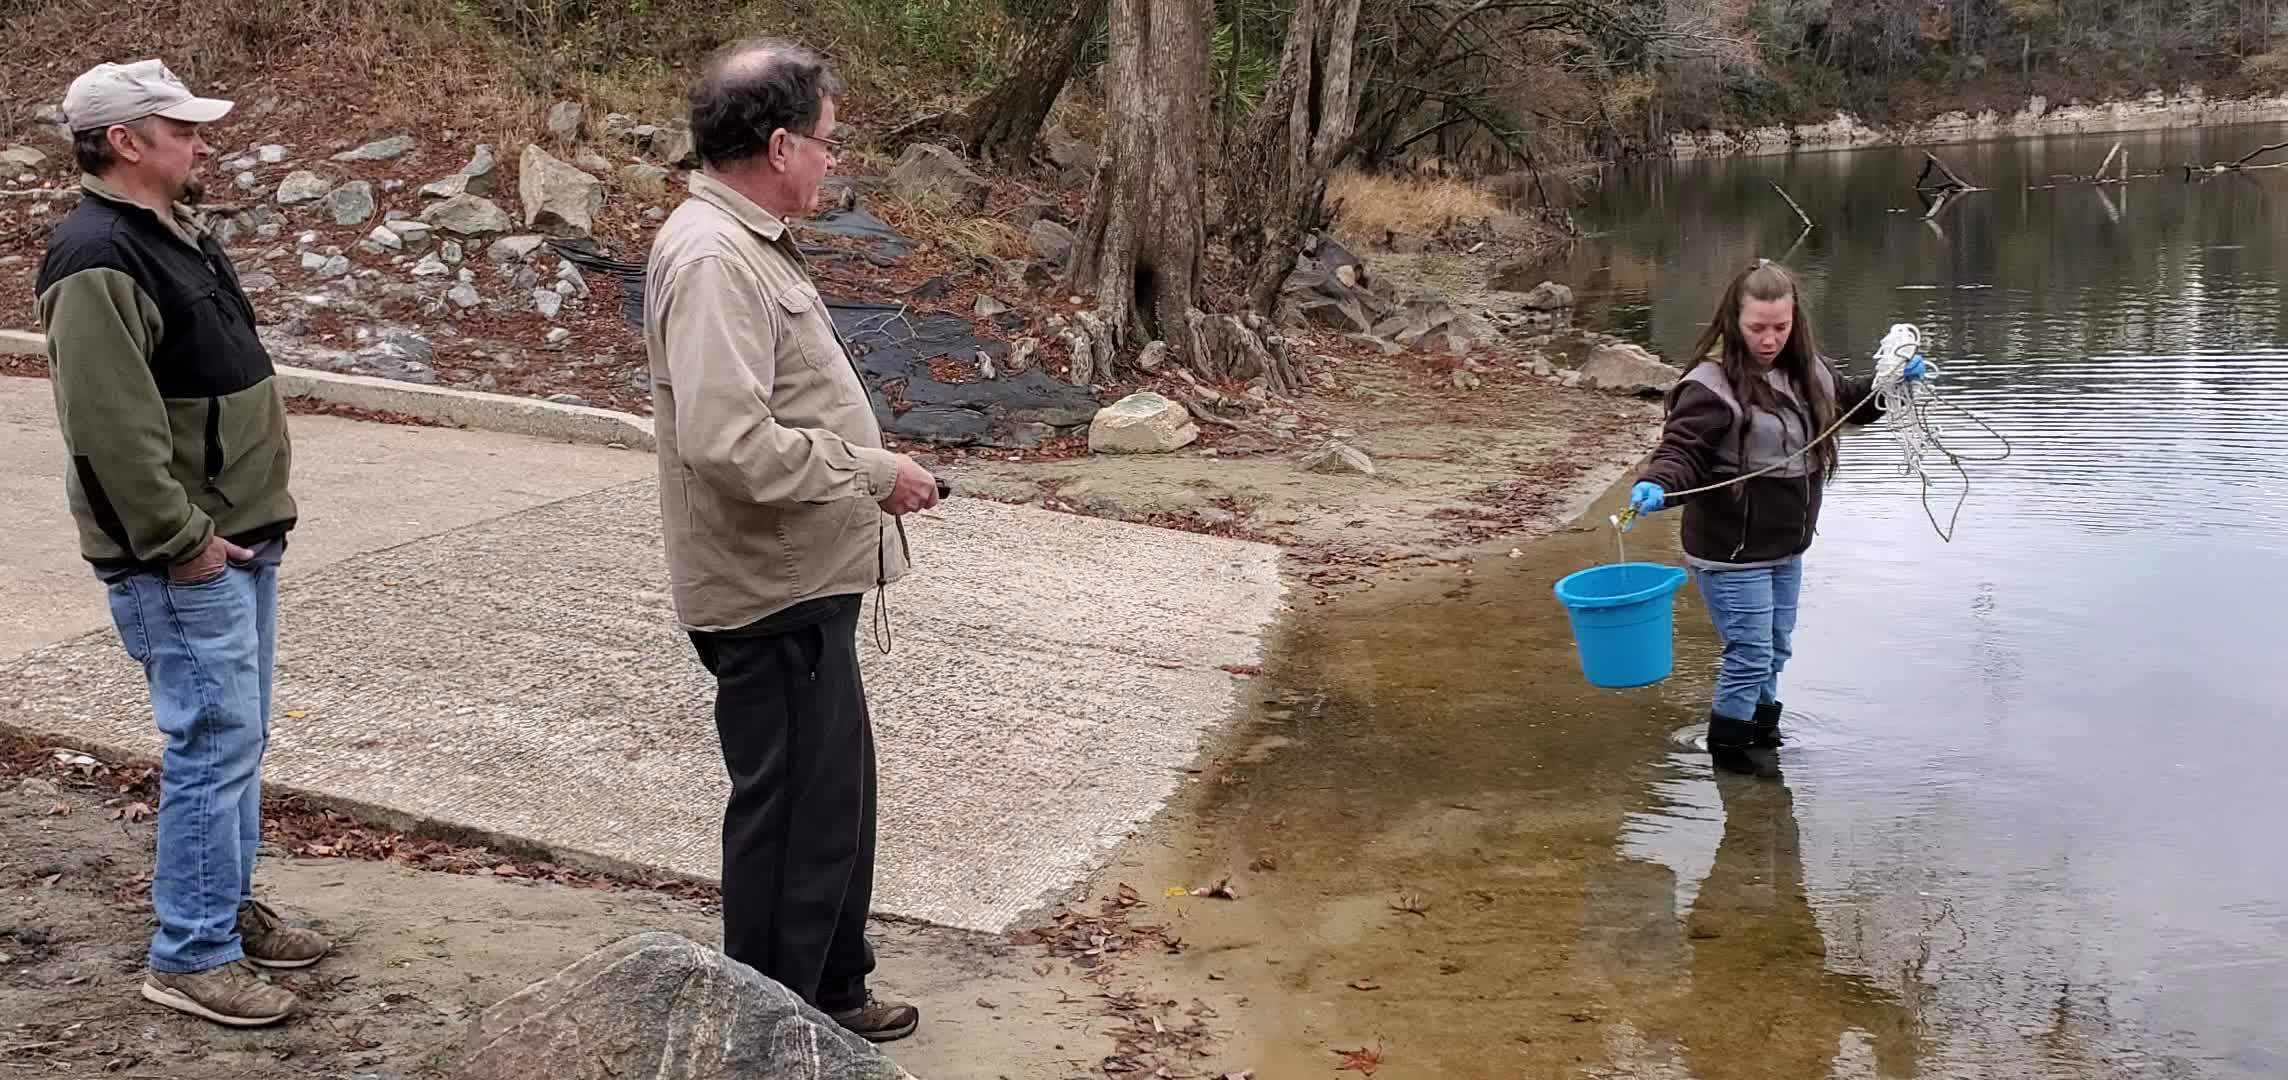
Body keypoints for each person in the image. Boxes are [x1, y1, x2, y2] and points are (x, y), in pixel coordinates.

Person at [643, 38, 939, 1043]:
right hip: (767, 594)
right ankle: (768, 1029)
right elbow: (727, 445)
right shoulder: (713, 255)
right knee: (789, 824)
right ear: (776, 144)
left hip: (802, 581)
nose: (830, 160)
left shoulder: (743, 240)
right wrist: (872, 472)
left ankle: (830, 989)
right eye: (825, 142)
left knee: (831, 807)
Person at [36, 59, 330, 1027]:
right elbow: (109, 429)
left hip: (236, 540)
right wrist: (177, 539)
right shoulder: (96, 257)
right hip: (186, 555)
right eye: (182, 127)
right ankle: (190, 952)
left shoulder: (170, 233)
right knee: (212, 742)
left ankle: (224, 911)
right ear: (126, 141)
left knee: (235, 739)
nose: (200, 141)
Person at [1626, 260, 1925, 771]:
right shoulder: (1710, 385)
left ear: (1795, 321)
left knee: (1774, 651)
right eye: (1757, 328)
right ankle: (1732, 765)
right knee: (1748, 655)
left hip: (1785, 548)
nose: (1769, 339)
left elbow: (1850, 403)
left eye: (1780, 327)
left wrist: (1890, 387)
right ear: (1733, 322)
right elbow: (1682, 450)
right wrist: (1657, 484)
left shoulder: (1808, 371)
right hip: (1730, 553)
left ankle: (1764, 741)